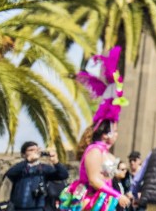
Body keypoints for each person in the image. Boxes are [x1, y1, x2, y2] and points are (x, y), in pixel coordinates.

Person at [59, 47, 131, 211]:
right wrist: (117, 195)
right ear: (106, 134)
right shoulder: (94, 151)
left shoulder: (105, 152)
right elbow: (93, 179)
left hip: (104, 201)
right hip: (90, 200)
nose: (117, 134)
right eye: (114, 131)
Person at [6, 142, 69, 211]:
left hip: (37, 208)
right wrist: (28, 160)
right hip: (17, 208)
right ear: (23, 154)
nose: (35, 152)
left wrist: (56, 162)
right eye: (31, 150)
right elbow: (10, 173)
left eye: (36, 150)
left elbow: (63, 175)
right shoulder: (20, 167)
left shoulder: (44, 168)